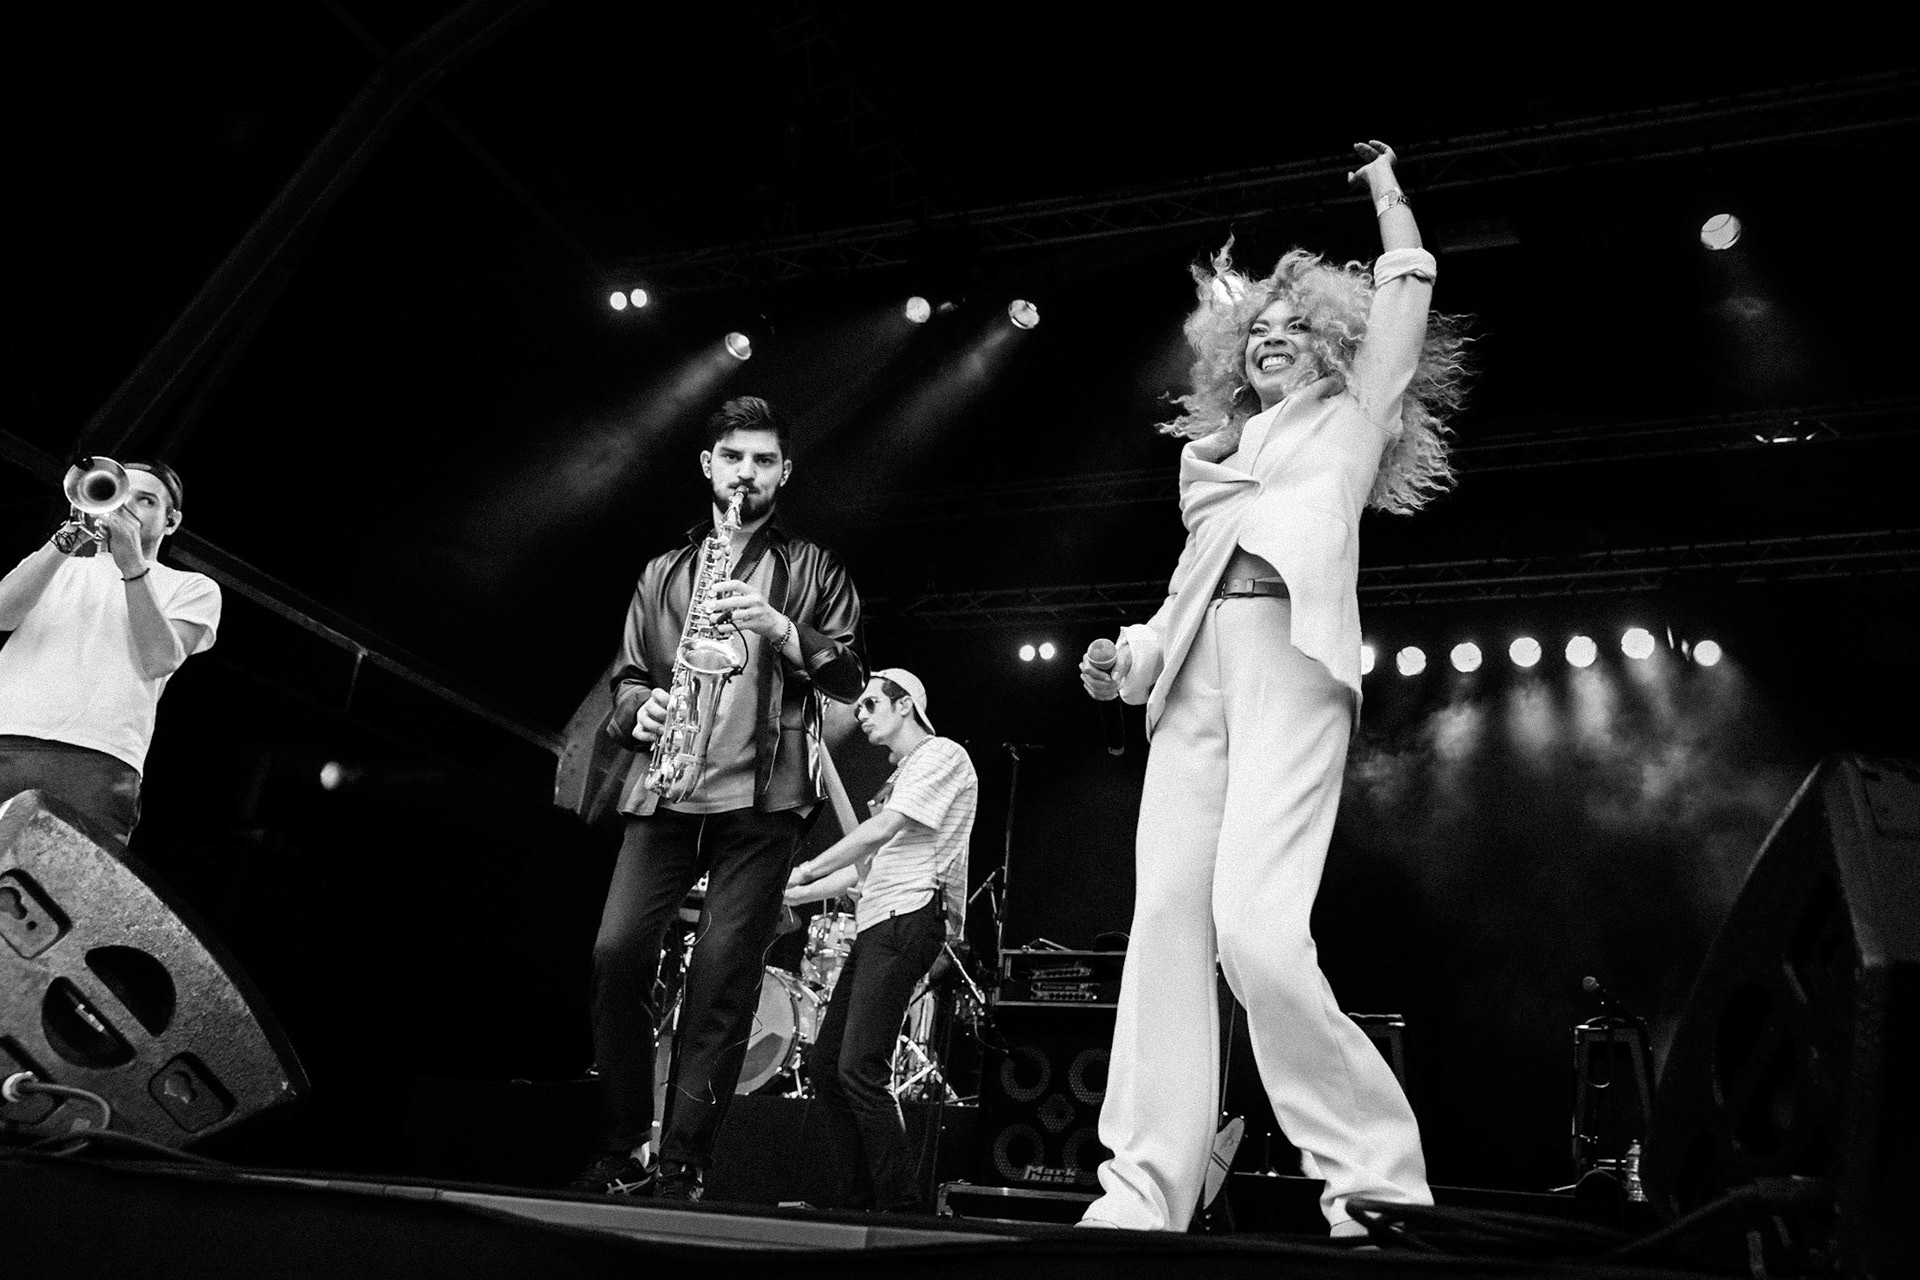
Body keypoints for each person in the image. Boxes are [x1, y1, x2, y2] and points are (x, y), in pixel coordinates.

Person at [1076, 141, 1471, 1236]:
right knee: (1164, 927)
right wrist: (1127, 660)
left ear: (1330, 344)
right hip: (1196, 679)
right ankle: (1144, 1192)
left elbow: (1408, 292)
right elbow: (1180, 596)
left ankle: (1376, 1183)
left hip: (1292, 663)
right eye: (1258, 332)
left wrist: (1388, 194)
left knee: (1255, 929)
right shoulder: (1212, 463)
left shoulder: (1353, 417)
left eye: (1295, 326)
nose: (1273, 337)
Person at [572, 395, 865, 1201]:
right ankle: (625, 1146)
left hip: (765, 802)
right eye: (734, 457)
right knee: (615, 955)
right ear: (709, 465)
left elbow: (849, 676)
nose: (747, 473)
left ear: (785, 473)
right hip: (667, 788)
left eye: (764, 460)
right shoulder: (665, 573)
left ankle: (684, 1162)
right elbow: (628, 680)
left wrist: (779, 626)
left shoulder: (814, 569)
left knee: (721, 979)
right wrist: (642, 710)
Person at [784, 668, 977, 1212]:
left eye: (870, 703)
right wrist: (796, 892)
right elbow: (868, 865)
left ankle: (901, 1207)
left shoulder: (942, 755)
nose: (861, 714)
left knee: (859, 1068)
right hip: (879, 918)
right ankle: (856, 1201)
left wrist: (807, 867)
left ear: (906, 704)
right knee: (827, 1067)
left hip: (908, 915)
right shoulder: (901, 777)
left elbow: (885, 829)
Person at [0, 460, 220, 848]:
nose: (126, 506)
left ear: (171, 521)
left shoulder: (192, 586)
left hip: (99, 760)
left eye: (145, 500)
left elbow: (160, 659)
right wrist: (67, 538)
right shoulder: (58, 567)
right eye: (119, 494)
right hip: (6, 737)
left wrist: (131, 563)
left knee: (65, 882)